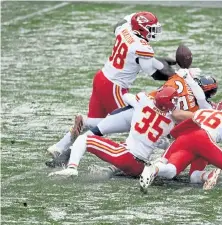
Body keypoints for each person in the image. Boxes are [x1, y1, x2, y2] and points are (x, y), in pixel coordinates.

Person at [47, 11, 174, 159]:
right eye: (151, 28)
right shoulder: (143, 48)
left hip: (102, 77)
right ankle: (86, 128)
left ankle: (59, 147)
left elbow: (120, 23)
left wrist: (161, 63)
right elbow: (154, 73)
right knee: (127, 121)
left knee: (95, 125)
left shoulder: (125, 29)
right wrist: (174, 76)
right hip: (115, 86)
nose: (154, 32)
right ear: (141, 28)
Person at [45, 69, 218, 169]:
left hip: (139, 108)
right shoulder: (197, 109)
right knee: (97, 134)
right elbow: (180, 122)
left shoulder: (179, 78)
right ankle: (66, 151)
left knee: (99, 130)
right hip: (153, 120)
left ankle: (65, 145)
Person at [48, 86, 180, 177]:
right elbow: (163, 143)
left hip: (126, 157)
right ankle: (110, 170)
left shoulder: (143, 100)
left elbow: (126, 96)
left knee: (84, 139)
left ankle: (71, 168)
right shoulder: (170, 123)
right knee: (125, 144)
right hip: (140, 167)